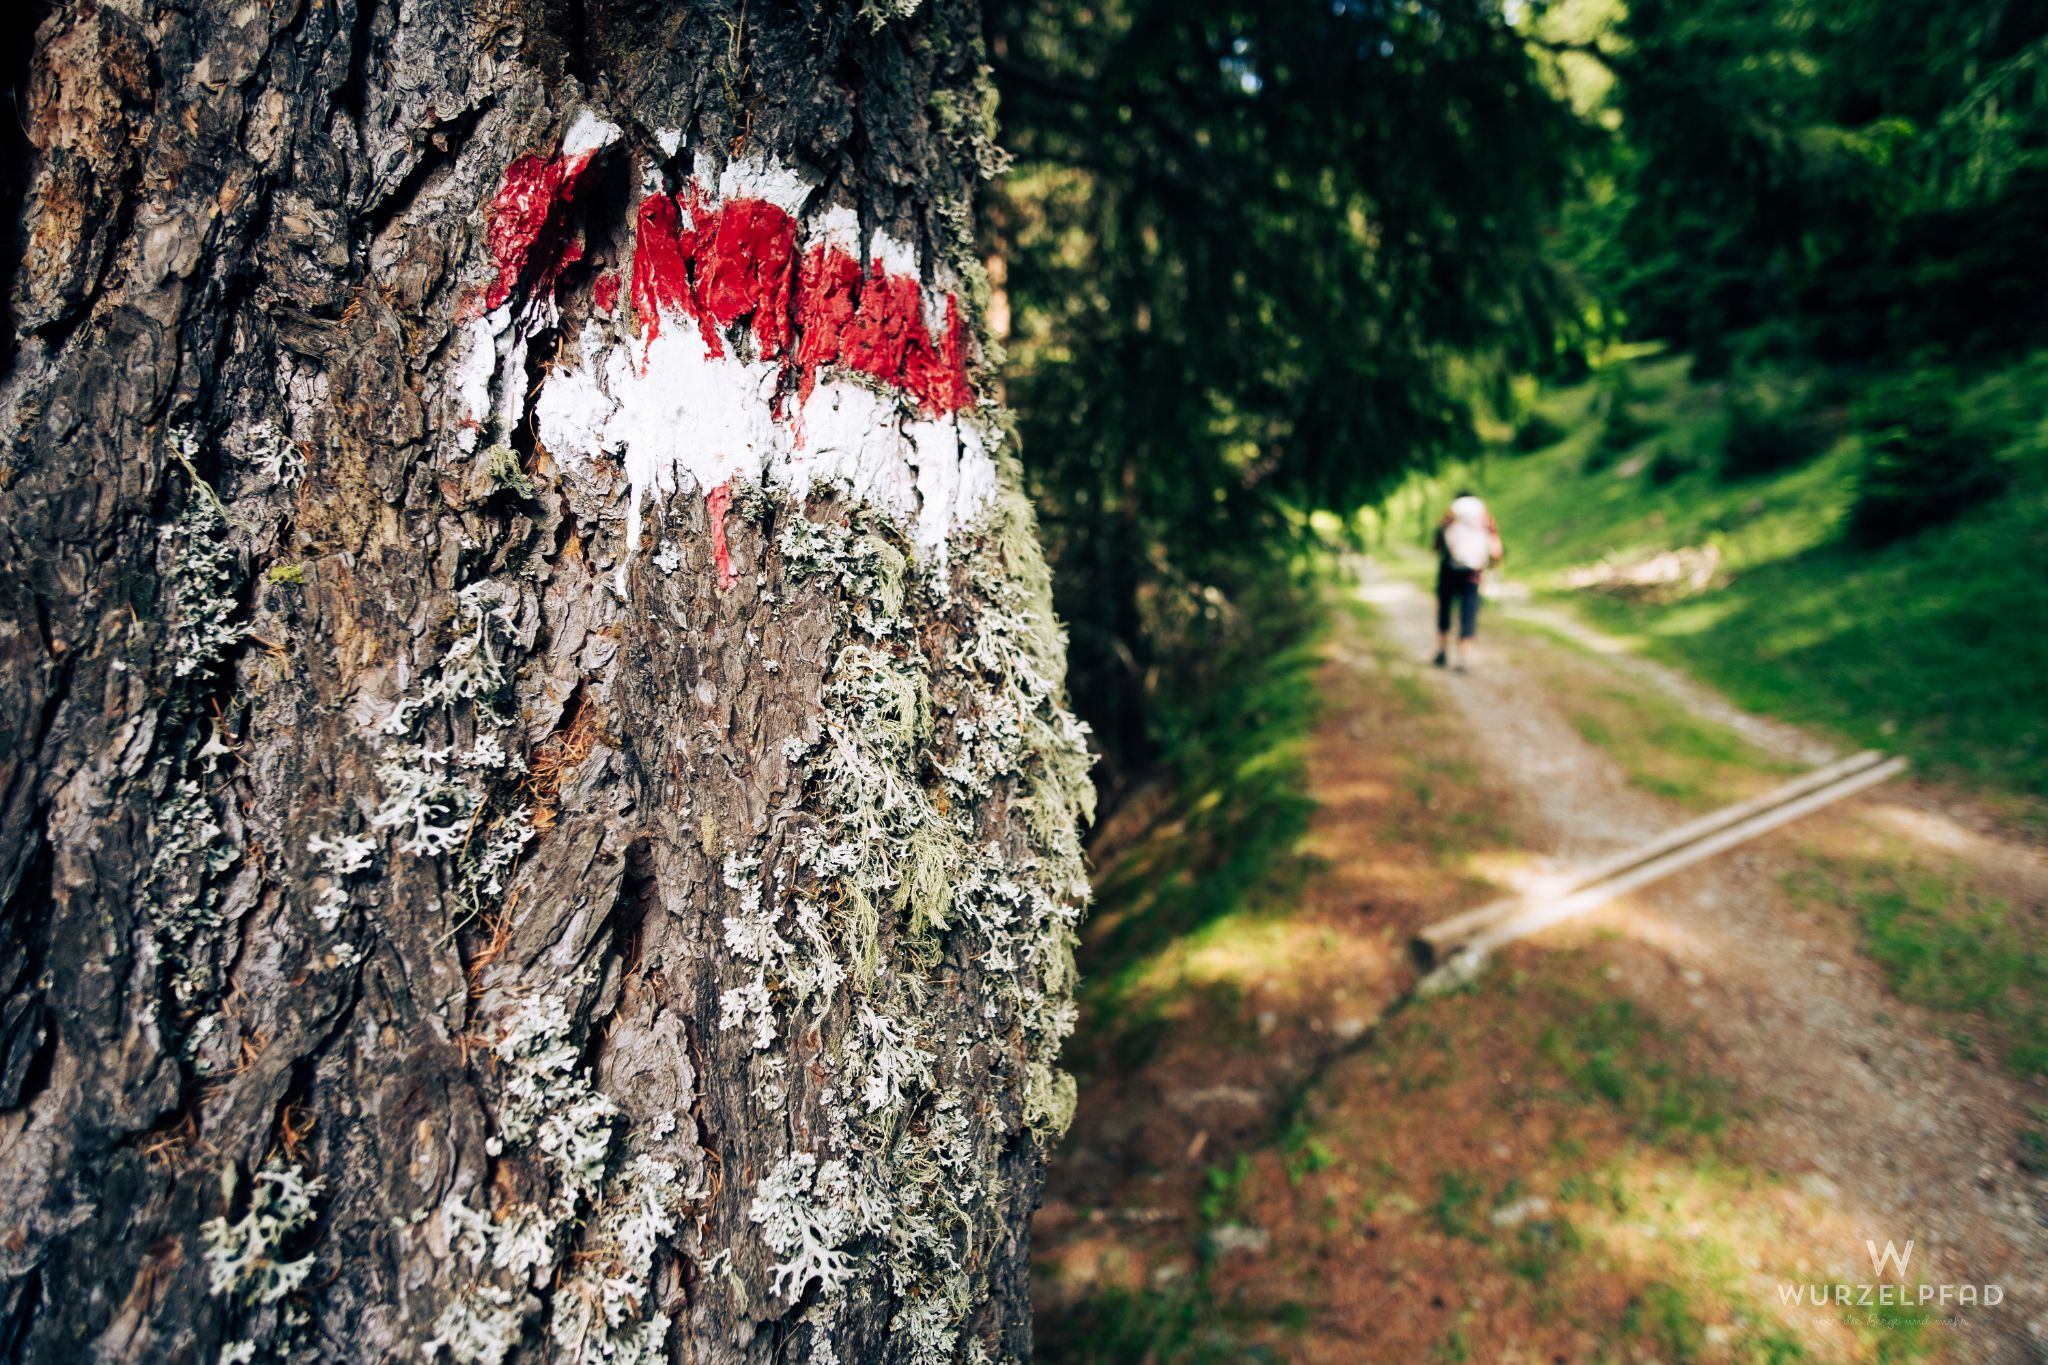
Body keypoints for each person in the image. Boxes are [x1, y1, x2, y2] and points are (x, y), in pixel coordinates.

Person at [1432, 489, 1503, 670]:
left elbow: (1437, 544)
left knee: (1445, 610)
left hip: (1449, 570)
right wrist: (1491, 566)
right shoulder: (1484, 517)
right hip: (1473, 574)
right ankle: (1463, 658)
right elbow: (1496, 549)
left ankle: (1442, 651)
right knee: (1468, 613)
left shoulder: (1451, 515)